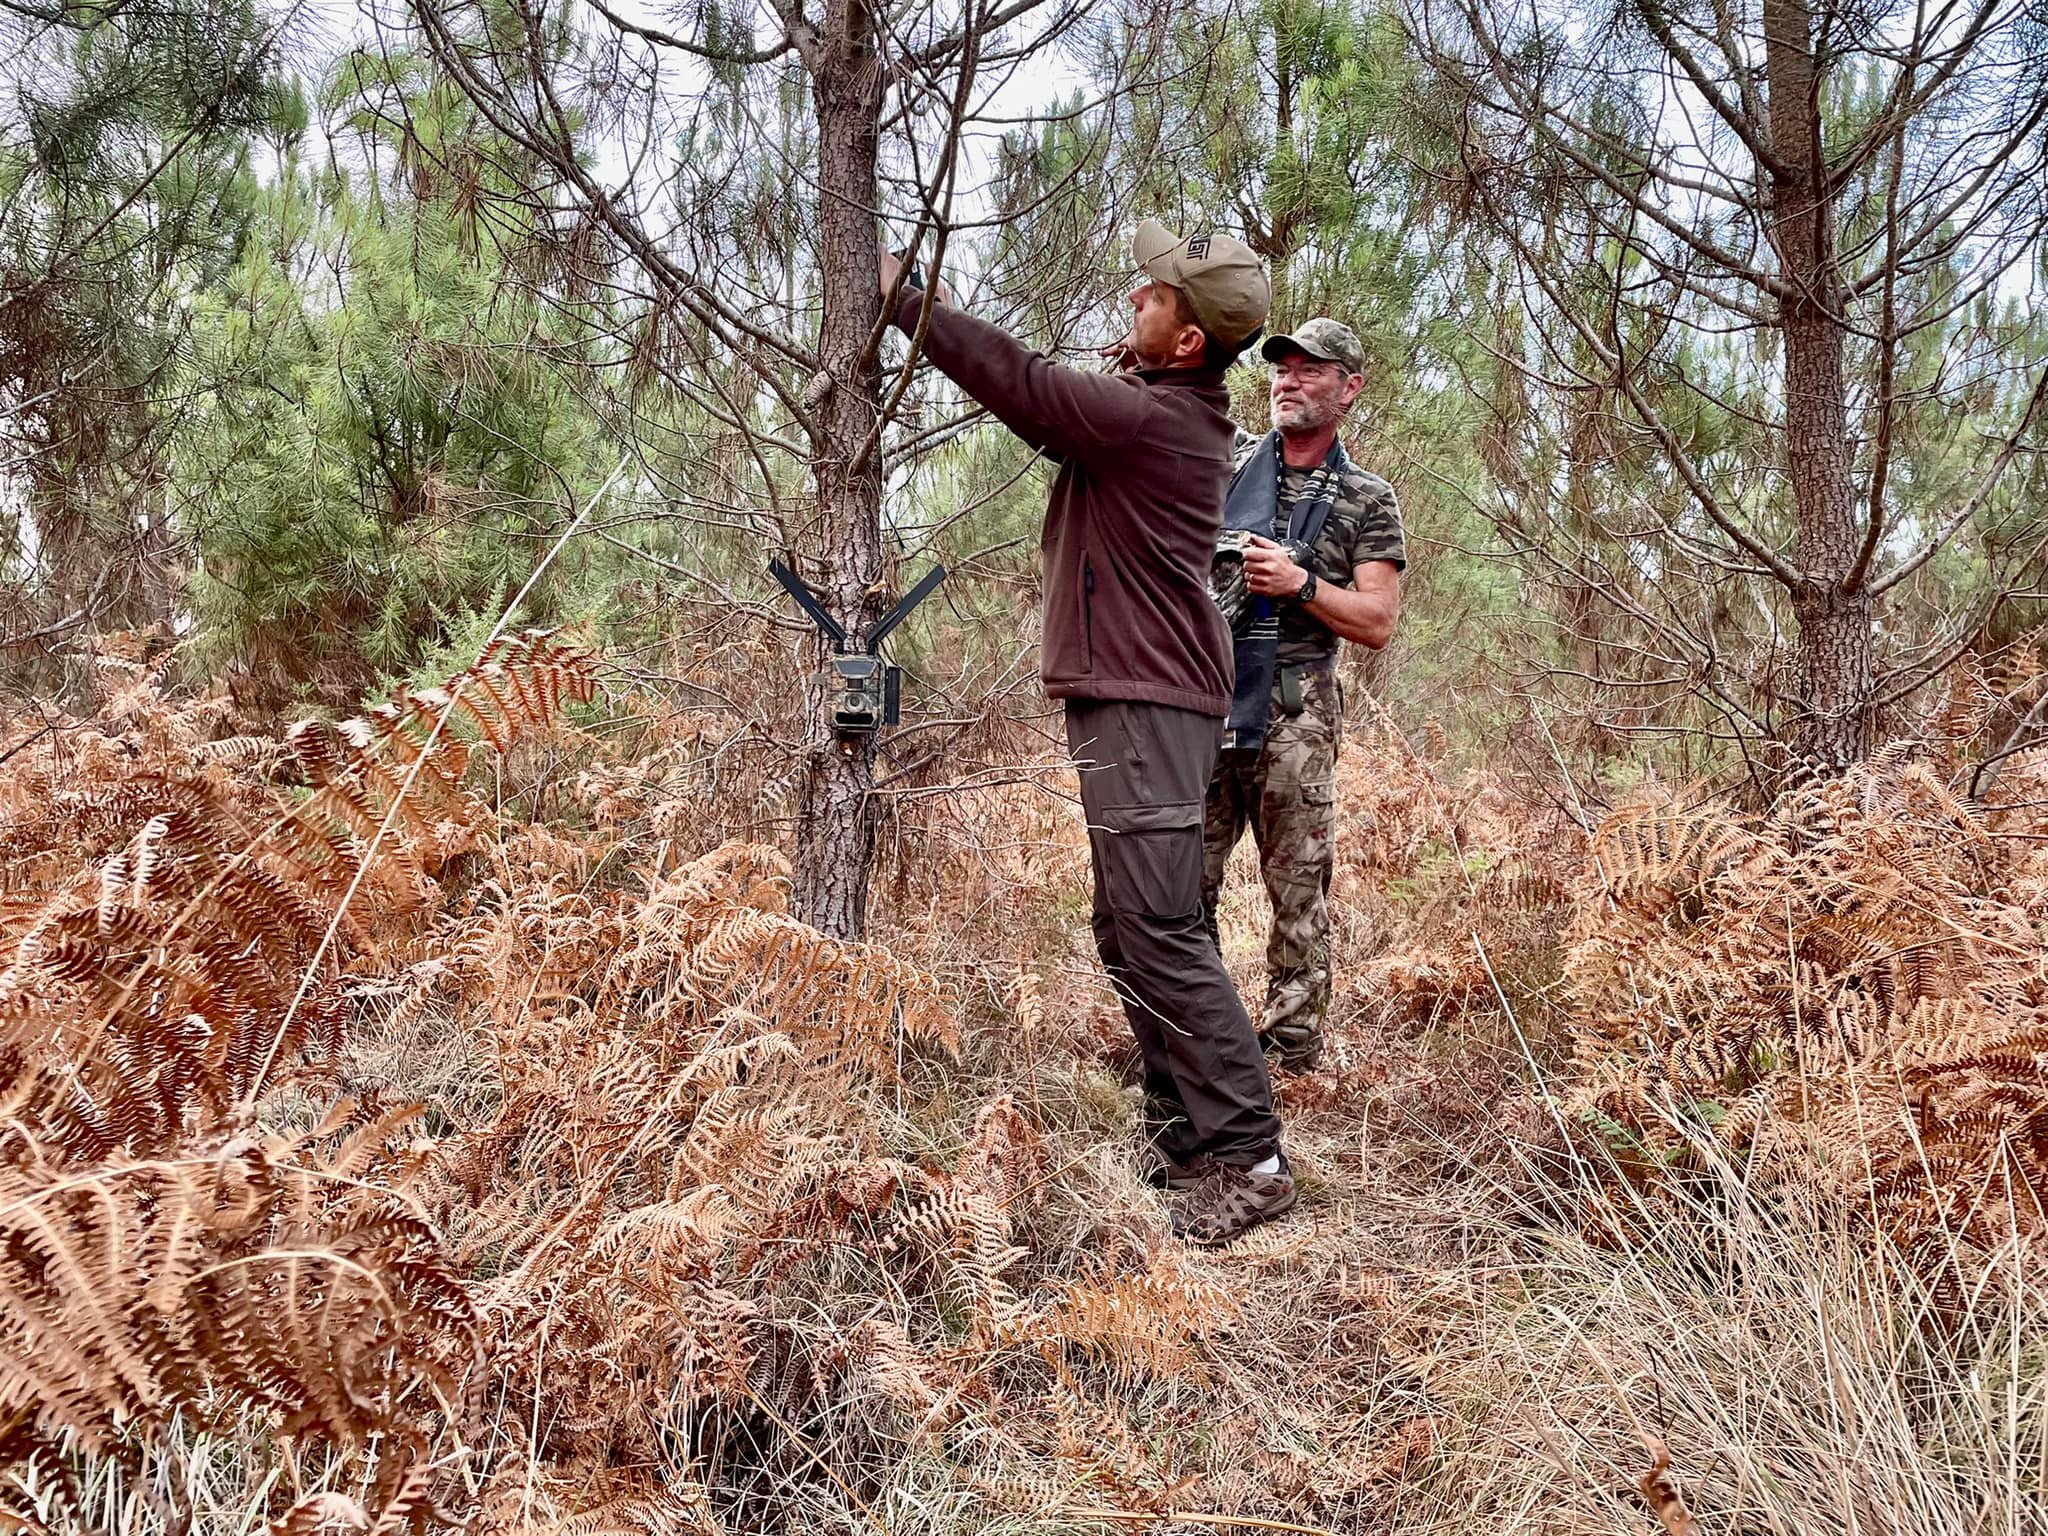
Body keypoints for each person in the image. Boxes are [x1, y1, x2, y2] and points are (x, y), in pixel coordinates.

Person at [879, 221, 1298, 1244]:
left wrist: (908, 300)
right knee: (1127, 926)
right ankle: (1184, 1134)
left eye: (1152, 298)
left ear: (1191, 340)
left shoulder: (1154, 422)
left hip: (1151, 701)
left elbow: (1028, 387)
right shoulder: (1164, 411)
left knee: (1156, 925)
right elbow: (1060, 411)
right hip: (1138, 696)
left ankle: (1247, 1156)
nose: (1132, 304)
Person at [1201, 318, 1406, 1072]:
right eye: (1281, 369)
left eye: (1309, 370)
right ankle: (1203, 1037)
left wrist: (1302, 585)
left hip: (1295, 717)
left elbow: (1378, 621)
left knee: (1297, 896)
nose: (1287, 380)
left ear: (1349, 388)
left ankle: (1290, 1056)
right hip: (1205, 705)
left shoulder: (1366, 497)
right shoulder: (1227, 466)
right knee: (1185, 886)